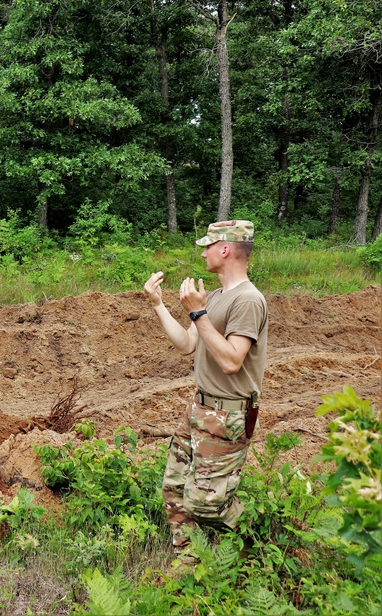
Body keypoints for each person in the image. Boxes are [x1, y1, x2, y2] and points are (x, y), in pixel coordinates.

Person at [143, 220, 268, 566]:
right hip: (199, 409)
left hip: (227, 416)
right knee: (173, 487)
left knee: (205, 503)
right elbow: (187, 344)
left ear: (225, 249)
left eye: (207, 245)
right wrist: (158, 304)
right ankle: (189, 563)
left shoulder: (248, 301)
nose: (202, 252)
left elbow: (231, 361)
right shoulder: (214, 296)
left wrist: (198, 312)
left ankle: (255, 537)